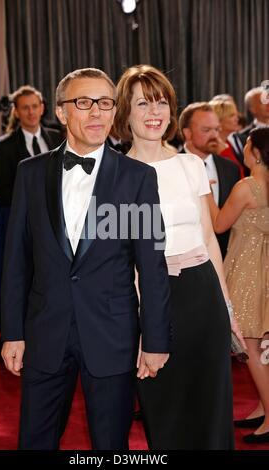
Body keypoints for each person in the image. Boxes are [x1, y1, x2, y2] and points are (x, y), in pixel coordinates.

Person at [0, 68, 173, 450]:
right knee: (34, 440)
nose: (97, 112)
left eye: (106, 103)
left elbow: (152, 265)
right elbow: (15, 261)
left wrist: (156, 339)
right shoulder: (30, 173)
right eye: (84, 102)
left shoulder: (137, 177)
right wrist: (12, 331)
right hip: (45, 332)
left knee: (110, 445)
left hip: (112, 333)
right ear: (61, 112)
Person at [113, 64, 245, 450]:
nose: (154, 113)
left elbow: (207, 238)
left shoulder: (191, 165)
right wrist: (138, 326)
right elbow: (124, 259)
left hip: (202, 295)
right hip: (151, 300)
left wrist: (228, 307)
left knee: (211, 407)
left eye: (161, 103)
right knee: (164, 410)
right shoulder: (115, 174)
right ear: (125, 112)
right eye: (142, 104)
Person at [0, 85, 63, 332]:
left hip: (54, 218)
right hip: (17, 217)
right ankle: (9, 320)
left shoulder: (57, 137)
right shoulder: (3, 146)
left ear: (42, 108)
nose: (32, 112)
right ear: (17, 111)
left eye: (35, 106)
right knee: (13, 269)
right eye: (25, 108)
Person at [208, 127, 269, 444]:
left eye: (246, 144)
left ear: (256, 153)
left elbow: (219, 223)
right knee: (261, 346)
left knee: (251, 347)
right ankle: (262, 407)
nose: (243, 148)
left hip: (246, 270)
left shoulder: (247, 186)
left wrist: (205, 193)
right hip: (265, 267)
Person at [179, 102, 240, 258]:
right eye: (206, 130)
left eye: (216, 129)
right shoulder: (171, 167)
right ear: (187, 133)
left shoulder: (231, 168)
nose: (214, 135)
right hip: (184, 259)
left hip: (225, 257)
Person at [209, 99, 246, 178]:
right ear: (219, 120)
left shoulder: (228, 143)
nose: (237, 119)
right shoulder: (212, 145)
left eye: (236, 115)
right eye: (231, 115)